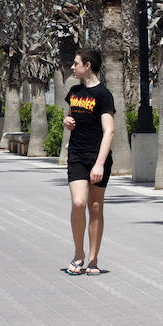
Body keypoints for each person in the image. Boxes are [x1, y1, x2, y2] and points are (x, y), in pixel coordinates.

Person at [61, 48, 115, 276]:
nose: (73, 67)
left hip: (97, 157)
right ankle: (78, 253)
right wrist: (67, 121)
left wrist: (100, 163)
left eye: (76, 64)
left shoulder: (103, 95)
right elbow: (72, 116)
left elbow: (109, 131)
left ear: (88, 66)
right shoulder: (74, 91)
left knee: (95, 207)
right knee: (78, 203)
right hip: (76, 155)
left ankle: (93, 260)